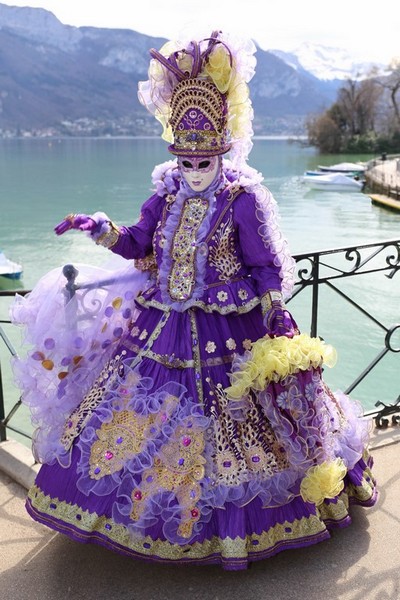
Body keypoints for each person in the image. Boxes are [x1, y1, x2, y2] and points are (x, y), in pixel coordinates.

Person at [11, 31, 377, 571]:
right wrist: (101, 228)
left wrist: (239, 300)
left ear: (223, 153)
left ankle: (239, 530)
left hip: (232, 334)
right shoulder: (167, 192)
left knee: (240, 428)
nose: (192, 172)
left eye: (202, 163)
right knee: (129, 420)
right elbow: (139, 242)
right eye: (184, 162)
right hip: (160, 327)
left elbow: (268, 270)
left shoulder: (242, 199)